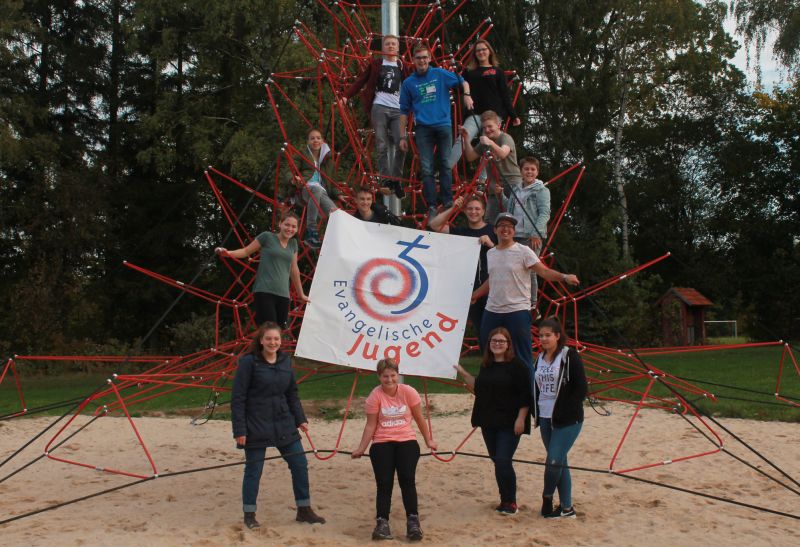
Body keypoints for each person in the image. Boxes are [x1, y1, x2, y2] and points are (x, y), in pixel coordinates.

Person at [230, 322, 326, 529]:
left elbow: (292, 393)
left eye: (276, 339)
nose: (273, 342)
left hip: (283, 422)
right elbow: (238, 398)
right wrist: (240, 430)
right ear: (261, 341)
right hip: (255, 423)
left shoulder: (284, 361)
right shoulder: (249, 362)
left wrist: (300, 418)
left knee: (299, 464)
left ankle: (304, 509)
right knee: (254, 470)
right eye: (268, 339)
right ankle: (249, 514)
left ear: (280, 341)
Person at [472, 212, 579, 378]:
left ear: (514, 231)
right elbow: (491, 281)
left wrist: (564, 277)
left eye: (510, 226)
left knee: (522, 356)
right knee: (489, 353)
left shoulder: (524, 251)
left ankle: (529, 399)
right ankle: (492, 394)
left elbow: (544, 271)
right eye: (502, 226)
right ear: (495, 229)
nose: (505, 229)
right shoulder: (491, 253)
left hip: (517, 310)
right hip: (492, 310)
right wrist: (475, 295)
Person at [352, 358, 437, 541]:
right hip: (382, 441)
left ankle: (413, 521)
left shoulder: (409, 392)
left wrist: (428, 440)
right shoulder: (374, 396)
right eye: (385, 376)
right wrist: (361, 448)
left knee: (407, 479)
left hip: (406, 439)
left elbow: (419, 418)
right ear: (379, 377)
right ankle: (382, 522)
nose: (389, 380)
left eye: (392, 375)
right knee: (384, 483)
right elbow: (370, 425)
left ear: (398, 375)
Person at [454, 327, 532, 515]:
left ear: (508, 344)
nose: (497, 344)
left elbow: (525, 395)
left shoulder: (517, 365)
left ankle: (511, 502)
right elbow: (479, 388)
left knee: (503, 461)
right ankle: (504, 500)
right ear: (489, 344)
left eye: (501, 341)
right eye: (494, 341)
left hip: (510, 422)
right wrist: (462, 372)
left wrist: (521, 419)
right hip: (489, 422)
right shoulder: (486, 365)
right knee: (497, 461)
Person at [399, 43, 473, 218]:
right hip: (423, 128)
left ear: (429, 58)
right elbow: (403, 111)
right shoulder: (409, 83)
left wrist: (467, 95)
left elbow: (463, 81)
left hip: (443, 125)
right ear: (413, 60)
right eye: (418, 58)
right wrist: (402, 135)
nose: (422, 61)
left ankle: (447, 200)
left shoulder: (439, 74)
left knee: (445, 163)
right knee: (426, 168)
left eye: (425, 57)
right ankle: (432, 204)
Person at [341, 35, 409, 199]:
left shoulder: (403, 66)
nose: (391, 46)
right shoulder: (376, 64)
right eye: (387, 44)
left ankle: (396, 180)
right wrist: (346, 95)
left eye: (393, 44)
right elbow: (361, 81)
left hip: (398, 110)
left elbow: (412, 84)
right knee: (381, 144)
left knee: (402, 144)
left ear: (398, 48)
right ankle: (386, 180)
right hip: (379, 107)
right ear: (383, 48)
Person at [215, 211, 309, 328]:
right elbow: (245, 251)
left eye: (294, 226)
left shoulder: (293, 243)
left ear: (297, 229)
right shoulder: (267, 237)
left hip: (283, 294)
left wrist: (301, 294)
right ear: (280, 224)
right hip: (265, 291)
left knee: (278, 333)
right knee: (269, 330)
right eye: (287, 224)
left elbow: (294, 269)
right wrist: (227, 253)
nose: (290, 228)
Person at [534, 317, 587, 519]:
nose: (544, 339)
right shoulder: (539, 358)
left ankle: (547, 497)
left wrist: (565, 409)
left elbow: (581, 388)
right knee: (560, 462)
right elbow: (536, 387)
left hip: (567, 419)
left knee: (553, 461)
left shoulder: (568, 356)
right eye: (541, 335)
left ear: (557, 336)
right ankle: (567, 508)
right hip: (545, 417)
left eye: (548, 335)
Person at [428, 194, 497, 338]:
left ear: (483, 211)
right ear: (465, 211)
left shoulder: (493, 230)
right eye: (470, 209)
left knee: (494, 328)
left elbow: (506, 254)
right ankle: (486, 360)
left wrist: (491, 244)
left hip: (491, 286)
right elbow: (434, 225)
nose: (473, 212)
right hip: (468, 289)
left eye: (477, 209)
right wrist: (454, 208)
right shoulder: (460, 232)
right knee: (480, 329)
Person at [450, 39, 521, 176]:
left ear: (489, 51)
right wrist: (462, 86)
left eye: (484, 49)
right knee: (463, 138)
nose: (481, 52)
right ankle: (446, 169)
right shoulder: (469, 72)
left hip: (493, 114)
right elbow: (458, 88)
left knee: (487, 146)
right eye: (478, 50)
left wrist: (514, 115)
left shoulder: (497, 71)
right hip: (475, 113)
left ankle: (482, 181)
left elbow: (504, 95)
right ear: (475, 54)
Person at [495, 156, 551, 311]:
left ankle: (532, 303)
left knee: (531, 269)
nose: (529, 172)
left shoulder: (541, 190)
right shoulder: (516, 189)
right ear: (521, 171)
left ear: (537, 172)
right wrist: (501, 196)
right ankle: (515, 298)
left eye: (533, 169)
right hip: (515, 235)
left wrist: (536, 232)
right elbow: (510, 209)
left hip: (531, 235)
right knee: (514, 268)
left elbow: (545, 213)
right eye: (526, 169)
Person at [461, 110, 522, 220]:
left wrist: (490, 143)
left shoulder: (505, 138)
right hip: (494, 186)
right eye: (484, 128)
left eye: (490, 126)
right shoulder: (485, 142)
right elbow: (470, 156)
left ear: (498, 125)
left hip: (512, 183)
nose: (487, 130)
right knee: (491, 221)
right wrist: (466, 138)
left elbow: (503, 153)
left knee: (514, 218)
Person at [284, 128, 340, 248]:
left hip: (321, 191)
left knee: (336, 214)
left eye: (318, 138)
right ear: (308, 141)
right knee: (316, 189)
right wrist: (293, 180)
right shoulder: (301, 155)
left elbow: (333, 182)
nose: (315, 140)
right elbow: (289, 171)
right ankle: (311, 231)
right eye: (312, 138)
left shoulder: (328, 160)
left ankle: (334, 242)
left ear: (322, 141)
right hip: (304, 188)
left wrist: (339, 194)